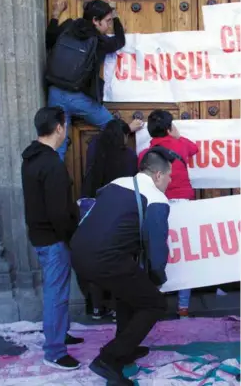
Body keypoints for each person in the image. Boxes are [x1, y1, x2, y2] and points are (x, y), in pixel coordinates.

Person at [70, 147, 175, 385]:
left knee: (127, 292)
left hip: (78, 251)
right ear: (158, 175)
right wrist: (157, 279)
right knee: (154, 303)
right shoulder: (157, 199)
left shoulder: (117, 183)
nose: (170, 181)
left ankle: (125, 346)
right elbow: (157, 251)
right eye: (169, 176)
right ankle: (110, 358)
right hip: (105, 259)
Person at [21, 106, 83, 371]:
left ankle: (60, 333)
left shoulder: (31, 158)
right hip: (54, 239)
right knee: (56, 294)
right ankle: (55, 351)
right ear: (59, 127)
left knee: (55, 290)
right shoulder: (52, 164)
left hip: (40, 235)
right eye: (65, 126)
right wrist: (71, 235)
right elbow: (58, 212)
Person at [46, 0, 142, 160]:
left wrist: (56, 14)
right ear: (95, 21)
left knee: (58, 148)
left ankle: (54, 184)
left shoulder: (69, 26)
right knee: (112, 126)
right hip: (79, 98)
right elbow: (119, 41)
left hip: (54, 94)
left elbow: (49, 39)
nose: (109, 25)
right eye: (108, 21)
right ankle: (128, 128)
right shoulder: (98, 41)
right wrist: (117, 15)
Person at [138, 109, 199, 319]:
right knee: (186, 254)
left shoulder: (145, 155)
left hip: (158, 206)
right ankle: (183, 307)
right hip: (184, 203)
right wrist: (178, 136)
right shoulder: (181, 145)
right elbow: (195, 148)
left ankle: (155, 303)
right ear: (169, 128)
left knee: (156, 252)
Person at [80, 119, 139, 321]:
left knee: (98, 260)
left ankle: (97, 307)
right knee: (119, 260)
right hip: (120, 214)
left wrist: (124, 128)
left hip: (96, 212)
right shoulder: (129, 157)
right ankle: (117, 308)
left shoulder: (95, 151)